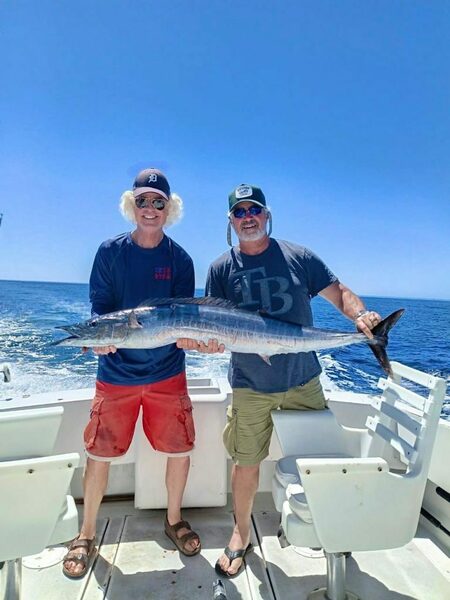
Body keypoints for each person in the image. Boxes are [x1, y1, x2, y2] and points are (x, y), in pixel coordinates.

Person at [178, 183, 381, 578]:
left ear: (267, 215)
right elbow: (212, 323)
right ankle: (241, 533)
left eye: (254, 209)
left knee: (319, 458)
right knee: (246, 462)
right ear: (230, 221)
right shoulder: (220, 268)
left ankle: (328, 524)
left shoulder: (298, 256)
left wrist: (361, 315)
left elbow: (339, 292)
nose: (248, 217)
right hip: (250, 384)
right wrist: (205, 343)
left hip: (303, 379)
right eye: (239, 212)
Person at [63, 168, 200, 579]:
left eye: (159, 202)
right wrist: (98, 338)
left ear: (169, 209)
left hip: (167, 373)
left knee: (179, 449)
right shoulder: (110, 252)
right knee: (99, 453)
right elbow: (100, 310)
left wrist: (198, 340)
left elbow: (185, 318)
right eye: (143, 201)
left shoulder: (180, 260)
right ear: (131, 205)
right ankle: (87, 533)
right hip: (115, 374)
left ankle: (173, 519)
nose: (150, 208)